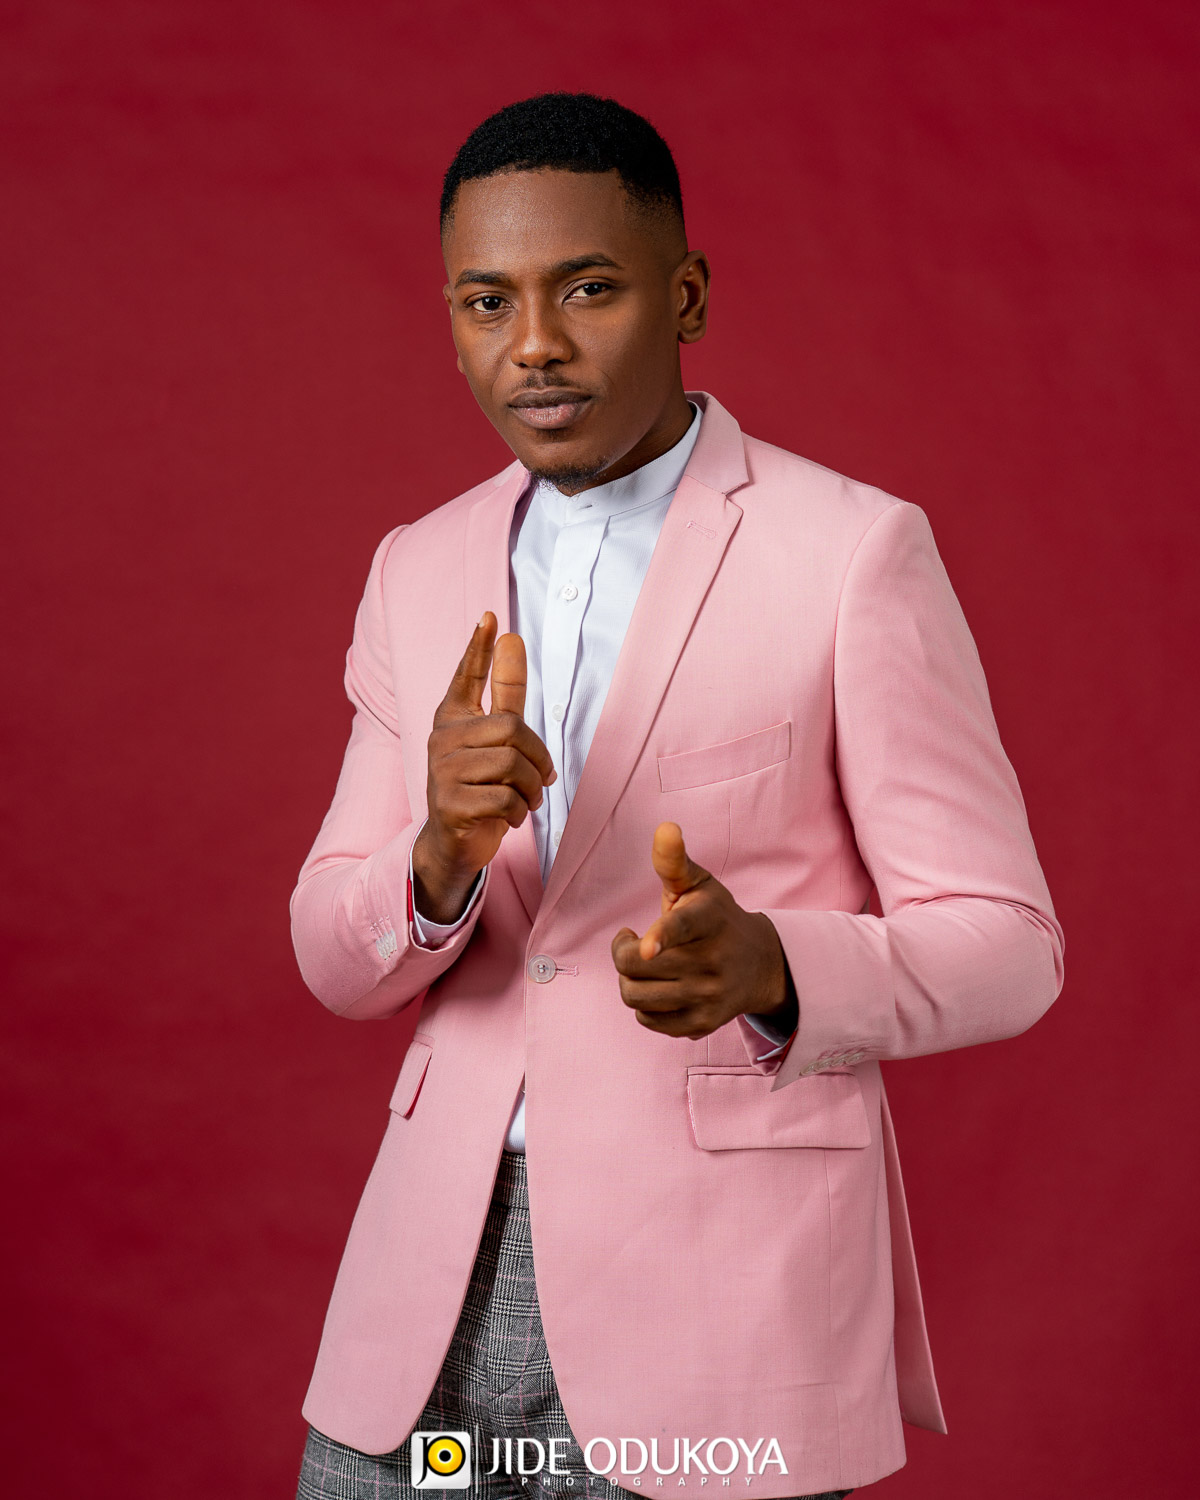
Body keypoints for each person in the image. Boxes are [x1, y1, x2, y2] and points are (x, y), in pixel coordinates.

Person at [292, 92, 1064, 1500]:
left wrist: (776, 968)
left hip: (725, 1309)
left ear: (687, 294)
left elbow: (1010, 944)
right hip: (428, 1298)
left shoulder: (853, 552)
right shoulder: (416, 566)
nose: (533, 342)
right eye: (486, 301)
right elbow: (335, 957)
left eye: (588, 288)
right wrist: (438, 856)